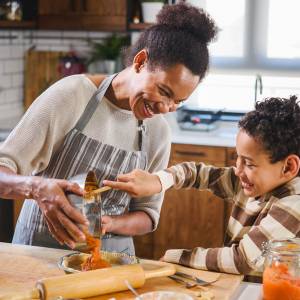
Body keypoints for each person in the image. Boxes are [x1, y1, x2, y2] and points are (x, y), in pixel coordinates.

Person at [0, 2, 217, 254]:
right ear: (140, 61)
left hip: (111, 261)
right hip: (39, 253)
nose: (165, 108)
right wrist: (36, 188)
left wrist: (108, 224)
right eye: (164, 91)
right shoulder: (73, 96)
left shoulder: (158, 133)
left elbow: (147, 215)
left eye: (177, 102)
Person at [103, 95, 300, 273]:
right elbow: (197, 173)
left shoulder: (294, 203)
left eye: (248, 163)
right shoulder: (252, 182)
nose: (238, 170)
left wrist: (178, 257)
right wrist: (159, 181)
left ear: (288, 167)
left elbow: (242, 259)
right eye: (237, 158)